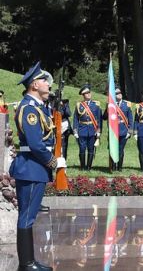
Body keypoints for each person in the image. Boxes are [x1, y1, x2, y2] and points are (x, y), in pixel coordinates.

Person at [11, 62, 66, 271]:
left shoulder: (36, 107)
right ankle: (26, 264)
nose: (48, 84)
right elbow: (35, 144)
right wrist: (53, 161)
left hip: (34, 168)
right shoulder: (29, 109)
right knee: (27, 216)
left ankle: (30, 262)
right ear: (34, 84)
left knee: (28, 216)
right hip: (32, 168)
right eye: (44, 80)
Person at [73, 84, 102, 171]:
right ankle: (82, 167)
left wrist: (99, 131)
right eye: (86, 93)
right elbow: (75, 119)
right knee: (82, 149)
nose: (88, 94)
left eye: (89, 92)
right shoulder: (79, 105)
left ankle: (89, 167)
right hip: (82, 129)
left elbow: (99, 119)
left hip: (92, 130)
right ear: (83, 95)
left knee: (91, 149)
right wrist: (75, 131)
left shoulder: (96, 104)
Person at [111, 88, 132, 171]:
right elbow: (105, 117)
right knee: (113, 148)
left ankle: (119, 167)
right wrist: (107, 107)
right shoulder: (111, 104)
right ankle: (113, 166)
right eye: (117, 93)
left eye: (120, 92)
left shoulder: (127, 104)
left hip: (123, 130)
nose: (119, 94)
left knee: (121, 149)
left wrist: (129, 131)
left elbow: (130, 118)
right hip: (113, 131)